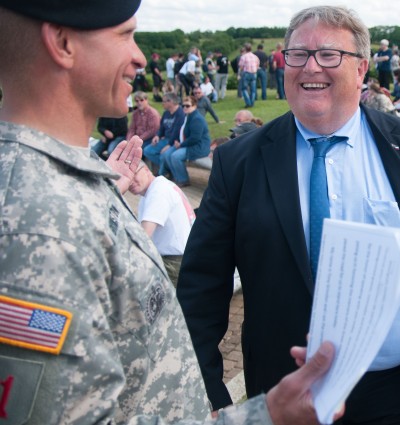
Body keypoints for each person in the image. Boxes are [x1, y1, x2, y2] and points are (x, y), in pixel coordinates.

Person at [0, 0, 340, 424]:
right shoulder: (41, 225)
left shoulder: (57, 193)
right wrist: (264, 416)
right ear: (63, 43)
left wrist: (93, 193)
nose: (139, 56)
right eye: (125, 34)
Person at [178, 5, 400, 424]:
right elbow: (203, 284)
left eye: (330, 55)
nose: (312, 66)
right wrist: (206, 387)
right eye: (298, 54)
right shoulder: (239, 163)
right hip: (288, 395)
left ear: (362, 68)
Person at [127, 161, 196, 285]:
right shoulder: (158, 187)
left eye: (134, 174)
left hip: (175, 262)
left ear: (146, 170)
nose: (130, 181)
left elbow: (143, 237)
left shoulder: (158, 192)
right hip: (184, 256)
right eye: (126, 178)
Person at [159, 95, 210, 187]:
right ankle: (175, 176)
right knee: (166, 154)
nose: (185, 108)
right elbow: (182, 132)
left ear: (194, 106)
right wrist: (176, 142)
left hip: (198, 147)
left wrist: (181, 144)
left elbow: (195, 138)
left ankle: (183, 180)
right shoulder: (188, 116)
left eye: (188, 106)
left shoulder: (197, 119)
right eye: (183, 106)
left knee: (175, 156)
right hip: (186, 144)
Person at [144, 92, 185, 173]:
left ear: (171, 102)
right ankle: (168, 168)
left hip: (175, 141)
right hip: (165, 139)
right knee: (147, 150)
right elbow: (161, 128)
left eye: (164, 101)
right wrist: (157, 136)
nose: (162, 103)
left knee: (164, 154)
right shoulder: (166, 113)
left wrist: (169, 145)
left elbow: (177, 132)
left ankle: (162, 173)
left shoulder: (180, 114)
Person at [239, 43, 260, 107]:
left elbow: (241, 66)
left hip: (246, 73)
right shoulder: (255, 57)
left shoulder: (244, 57)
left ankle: (248, 102)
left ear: (245, 49)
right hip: (254, 73)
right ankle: (252, 102)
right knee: (253, 90)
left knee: (244, 89)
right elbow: (258, 65)